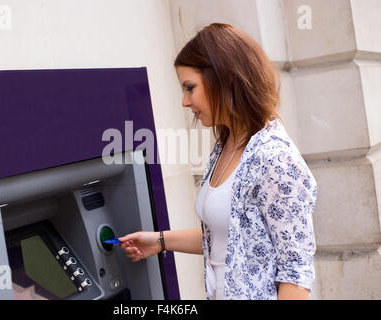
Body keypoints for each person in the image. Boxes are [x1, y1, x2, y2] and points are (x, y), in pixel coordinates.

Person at [118, 23, 317, 300]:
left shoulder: (275, 158)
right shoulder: (226, 145)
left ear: (224, 80)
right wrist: (160, 241)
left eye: (190, 88)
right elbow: (231, 237)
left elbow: (296, 274)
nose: (184, 102)